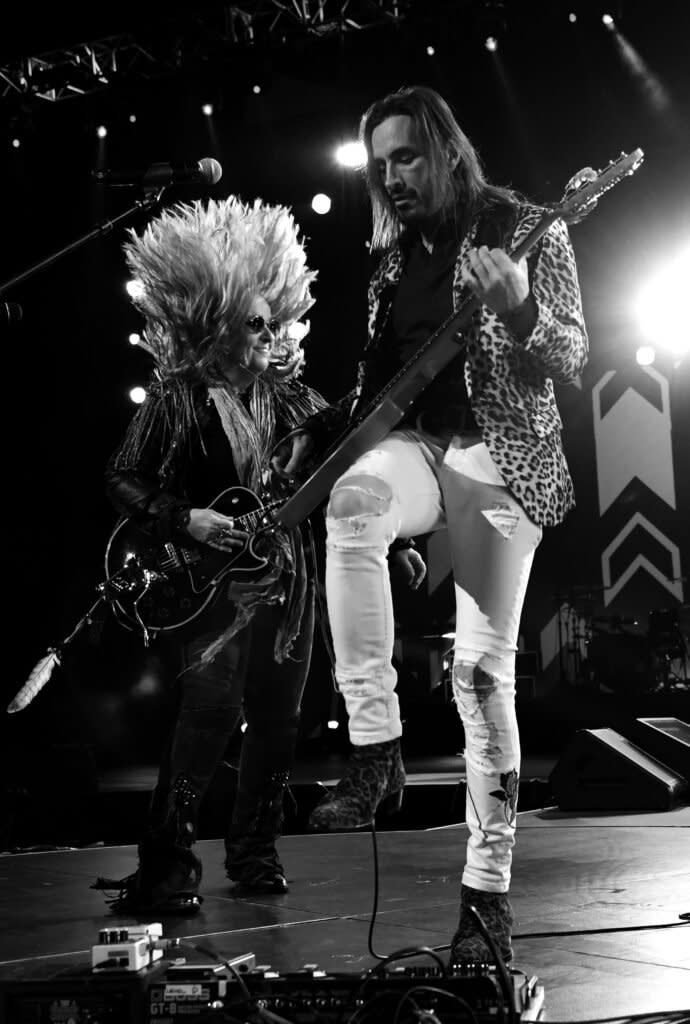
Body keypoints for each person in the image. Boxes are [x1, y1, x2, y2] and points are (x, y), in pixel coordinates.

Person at [273, 85, 588, 964]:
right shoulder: (392, 259)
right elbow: (383, 379)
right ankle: (375, 750)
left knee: (482, 679)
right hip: (419, 449)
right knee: (351, 505)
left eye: (405, 157)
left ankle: (486, 900)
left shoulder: (526, 226)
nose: (391, 178)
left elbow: (571, 352)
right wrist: (320, 423)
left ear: (445, 151)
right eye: (380, 166)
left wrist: (522, 305)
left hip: (498, 461)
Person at [92, 195, 328, 914]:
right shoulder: (178, 398)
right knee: (210, 713)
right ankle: (168, 860)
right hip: (211, 591)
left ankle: (255, 853)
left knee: (281, 720)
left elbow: (347, 469)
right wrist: (184, 518)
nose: (266, 334)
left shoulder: (295, 402)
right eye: (252, 322)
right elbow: (120, 475)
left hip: (289, 584)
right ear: (216, 321)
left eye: (272, 321)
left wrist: (404, 541)